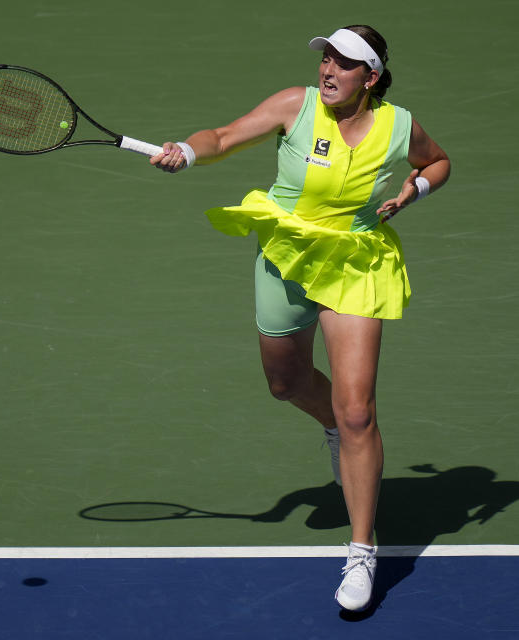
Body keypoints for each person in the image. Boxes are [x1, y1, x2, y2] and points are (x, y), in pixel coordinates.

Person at [150, 25, 451, 612]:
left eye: (345, 63)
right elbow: (224, 136)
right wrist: (188, 150)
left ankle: (362, 549)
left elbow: (438, 161)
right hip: (286, 256)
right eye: (326, 58)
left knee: (358, 407)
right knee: (286, 383)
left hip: (356, 263)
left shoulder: (399, 126)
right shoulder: (297, 105)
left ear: (373, 77)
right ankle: (333, 427)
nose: (328, 70)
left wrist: (414, 189)